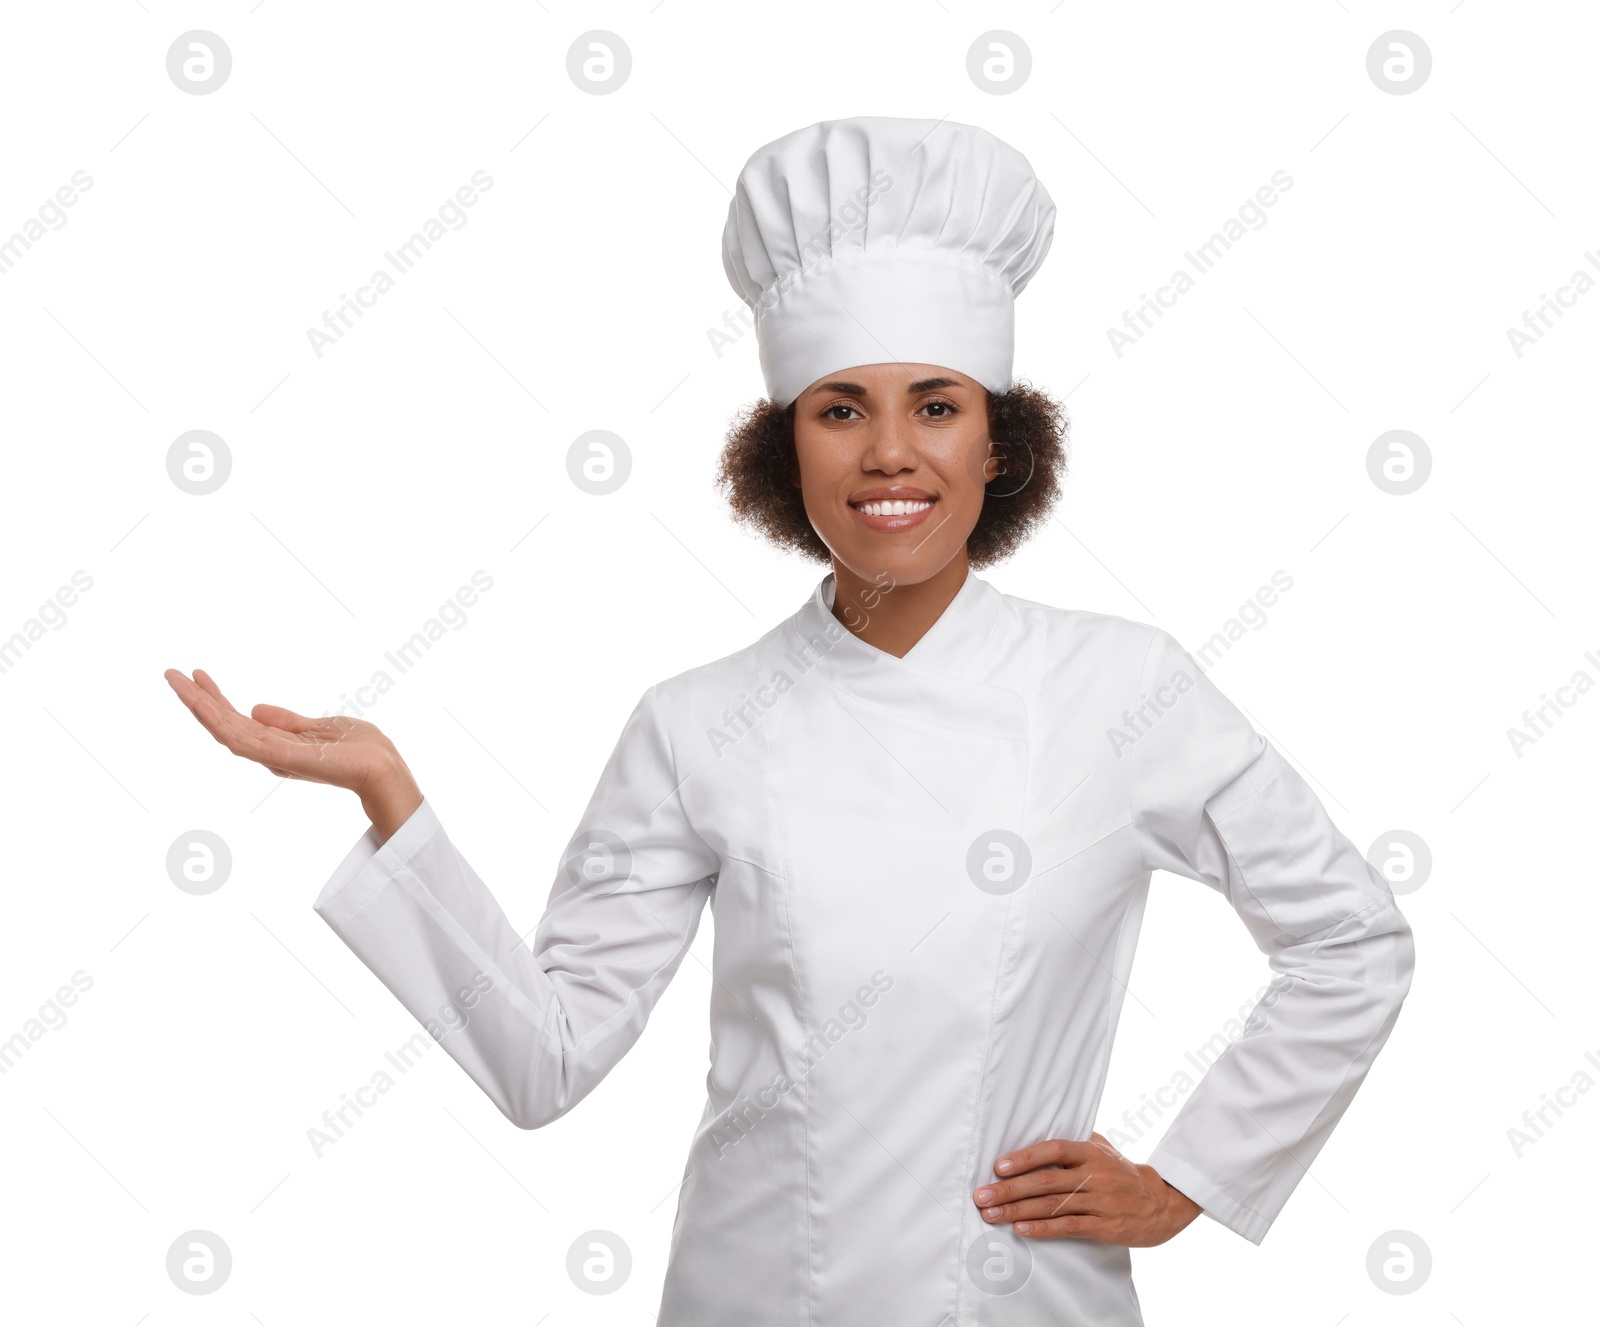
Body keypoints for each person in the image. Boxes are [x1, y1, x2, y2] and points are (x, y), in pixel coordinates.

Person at [165, 116, 1416, 1326]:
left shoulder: (1119, 687)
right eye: (838, 410)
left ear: (997, 448)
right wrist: (391, 793)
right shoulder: (697, 724)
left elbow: (1351, 942)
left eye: (935, 406)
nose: (887, 455)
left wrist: (1186, 1181)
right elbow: (543, 1061)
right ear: (783, 454)